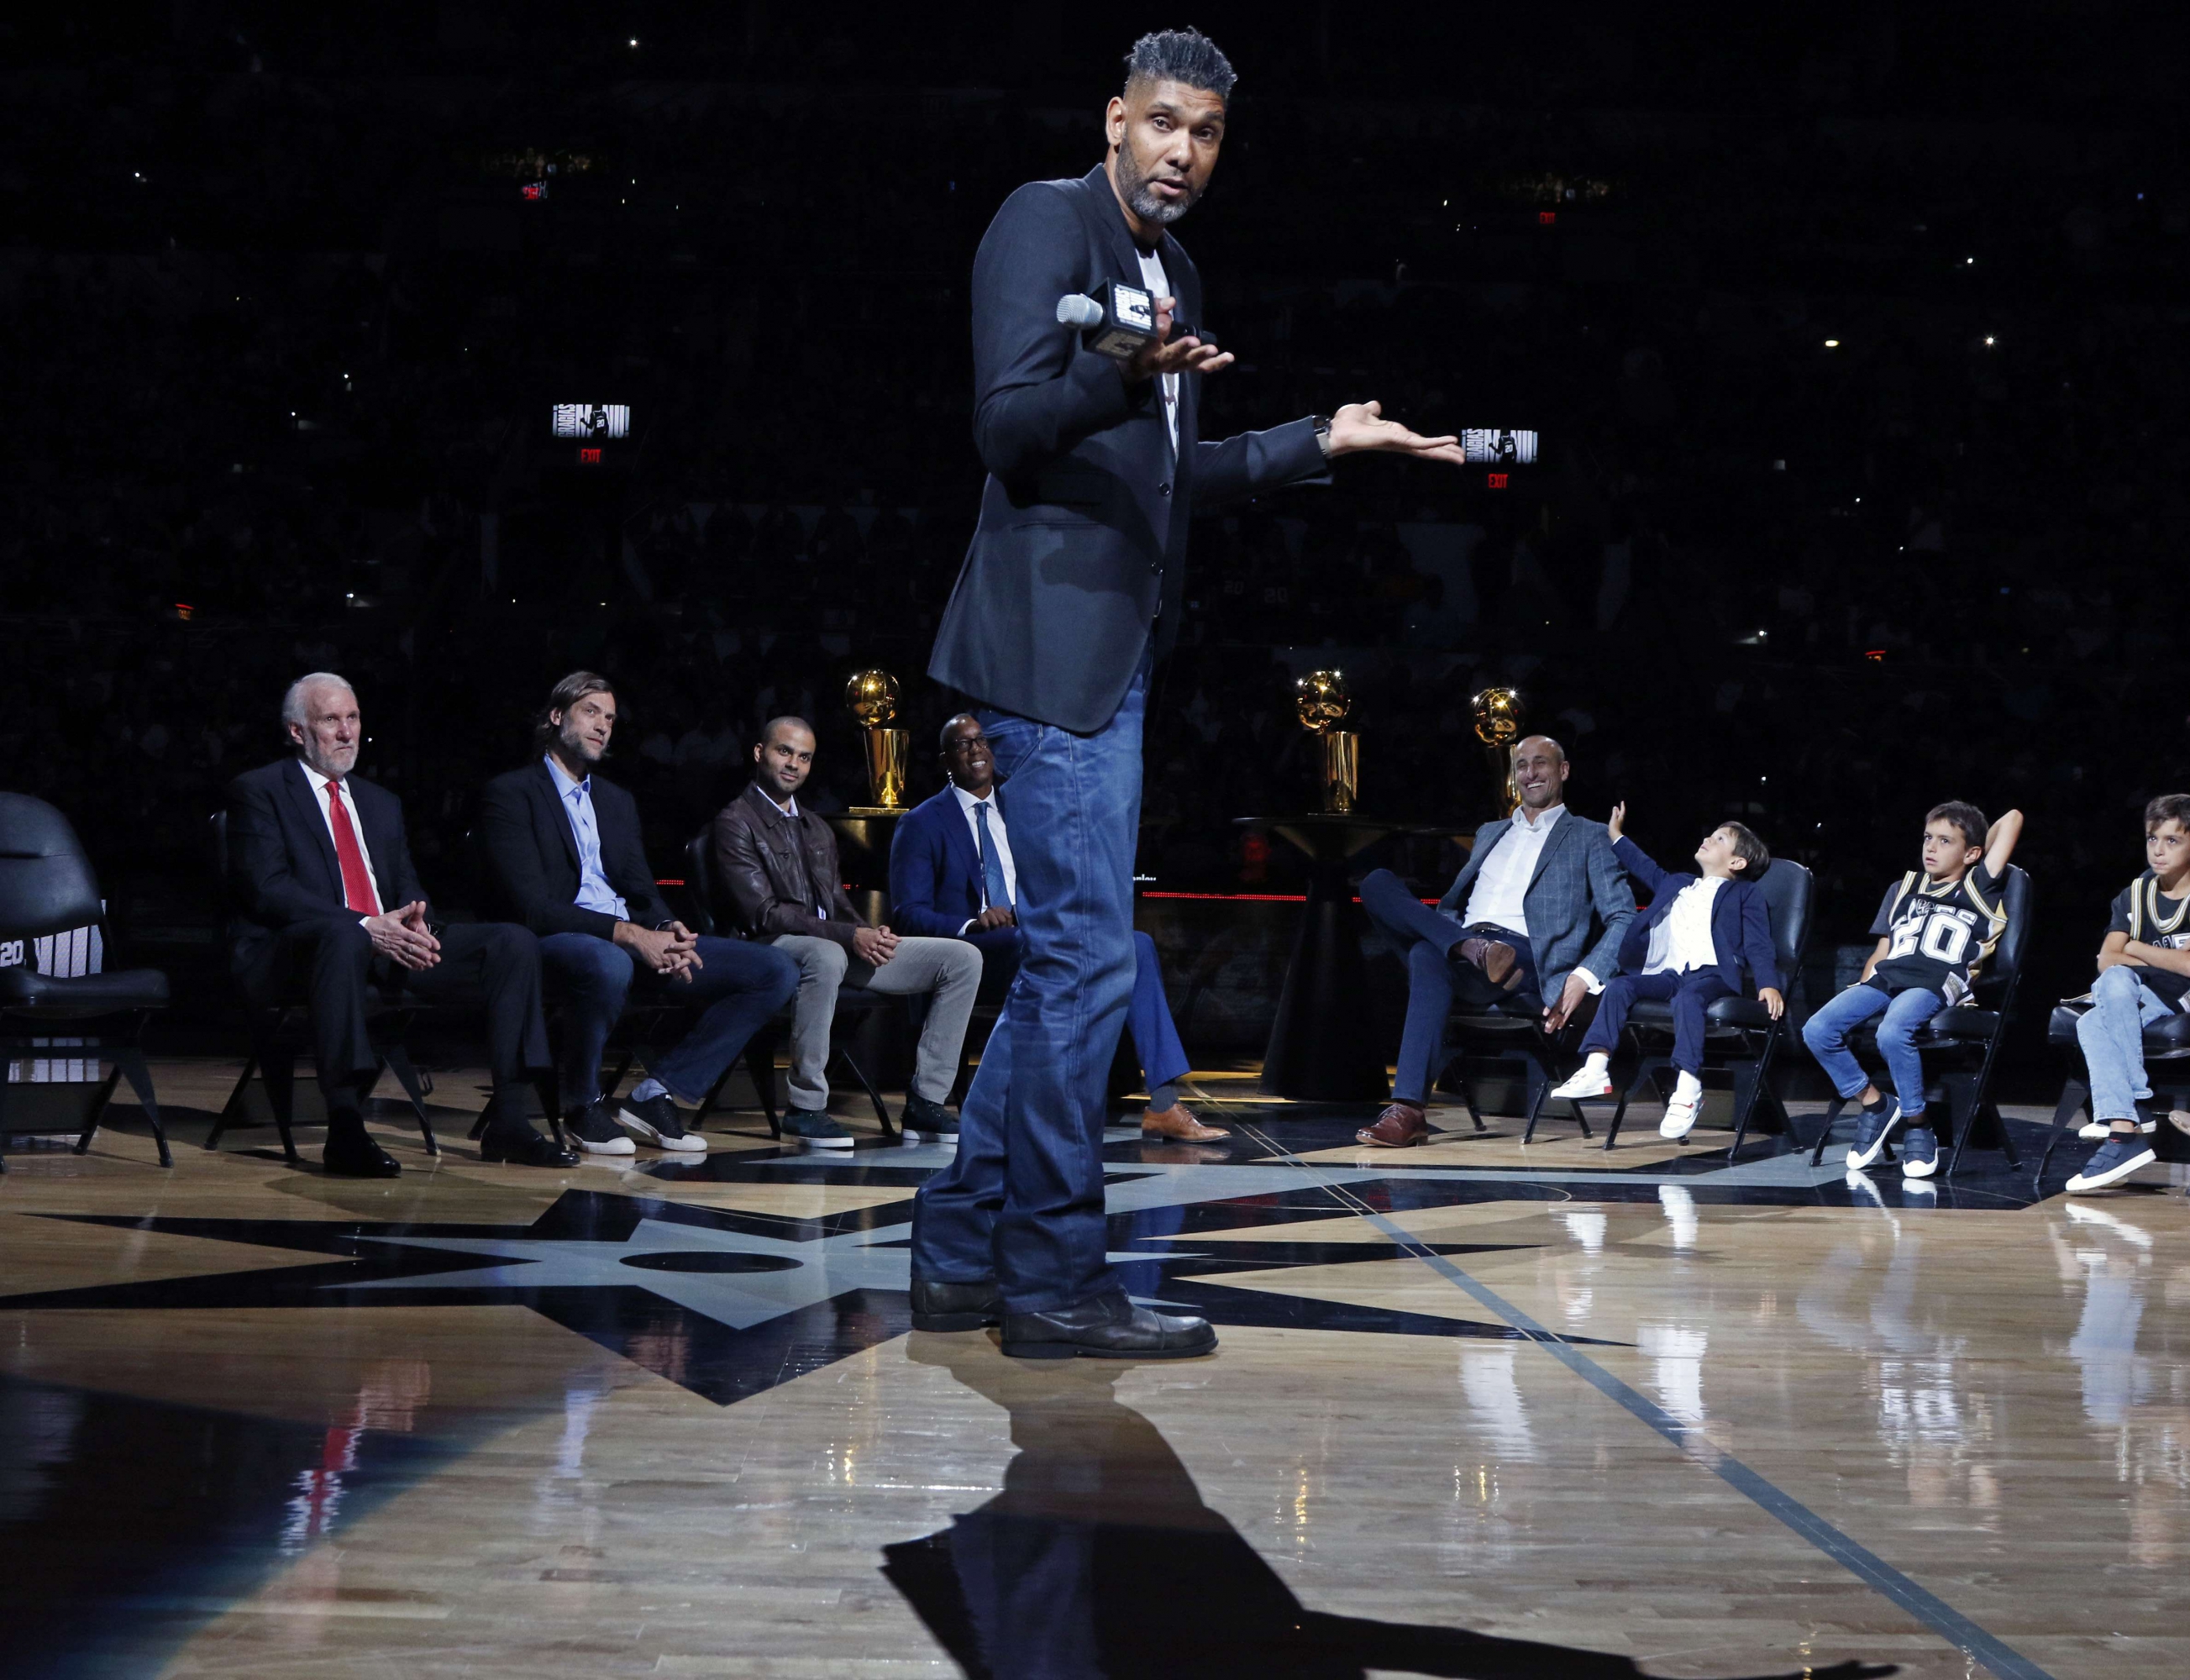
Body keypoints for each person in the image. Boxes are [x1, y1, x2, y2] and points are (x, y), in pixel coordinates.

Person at [910, 26, 1472, 1360]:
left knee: (1065, 971)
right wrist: (1118, 372)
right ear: (1114, 119)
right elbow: (1001, 425)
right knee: (1086, 965)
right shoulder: (1041, 225)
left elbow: (1170, 476)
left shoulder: (1177, 271)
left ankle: (956, 1248)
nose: (1182, 153)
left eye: (1206, 133)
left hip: (1112, 661)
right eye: (1163, 123)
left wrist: (1311, 443)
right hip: (1045, 659)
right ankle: (1048, 1281)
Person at [224, 673, 574, 1177]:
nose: (347, 732)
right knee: (345, 935)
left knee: (511, 941)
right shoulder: (259, 791)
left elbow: (408, 885)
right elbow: (268, 889)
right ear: (297, 732)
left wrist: (418, 922)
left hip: (383, 946)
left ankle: (511, 1121)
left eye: (353, 717)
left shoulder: (380, 803)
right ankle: (345, 1125)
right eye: (331, 720)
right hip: (297, 952)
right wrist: (366, 924)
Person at [477, 672, 800, 1158]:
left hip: (630, 939)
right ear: (556, 716)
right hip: (557, 940)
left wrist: (667, 929)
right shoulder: (512, 793)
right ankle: (582, 1103)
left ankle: (658, 1092)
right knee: (610, 961)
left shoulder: (616, 800)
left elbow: (642, 890)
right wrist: (626, 935)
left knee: (774, 970)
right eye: (591, 712)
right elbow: (535, 907)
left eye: (610, 717)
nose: (603, 725)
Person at [890, 713, 1227, 1143]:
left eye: (982, 740)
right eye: (962, 743)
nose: (976, 749)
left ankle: (1163, 1104)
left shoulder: (1023, 806)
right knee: (1046, 945)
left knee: (1136, 945)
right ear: (945, 759)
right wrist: (973, 921)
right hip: (981, 955)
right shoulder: (922, 822)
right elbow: (909, 913)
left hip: (1040, 933)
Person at [712, 717, 981, 1150]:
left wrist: (869, 933)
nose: (793, 764)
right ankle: (805, 1108)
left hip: (833, 941)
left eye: (804, 757)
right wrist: (846, 936)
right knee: (827, 955)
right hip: (768, 948)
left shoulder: (816, 827)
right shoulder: (735, 822)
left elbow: (836, 904)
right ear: (760, 753)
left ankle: (927, 1101)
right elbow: (764, 914)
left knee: (962, 958)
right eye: (785, 752)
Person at [1353, 736, 1636, 1148]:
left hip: (1523, 960)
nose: (1531, 773)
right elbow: (1453, 904)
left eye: (1541, 763)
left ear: (1564, 771)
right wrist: (1462, 940)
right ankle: (1470, 950)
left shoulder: (1589, 837)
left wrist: (1585, 974)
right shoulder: (1489, 832)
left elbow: (1623, 915)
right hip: (1468, 945)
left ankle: (1408, 1111)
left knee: (1424, 954)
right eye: (1522, 765)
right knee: (1377, 883)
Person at [1804, 801, 2024, 1181]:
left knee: (1893, 1031)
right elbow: (1883, 950)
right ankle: (1875, 1106)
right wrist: (1861, 985)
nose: (1931, 848)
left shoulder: (1979, 883)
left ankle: (1918, 1123)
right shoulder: (1903, 886)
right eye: (1927, 838)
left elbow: (2014, 818)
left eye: (1944, 841)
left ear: (1972, 853)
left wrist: (1974, 848)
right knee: (1817, 1029)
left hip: (1937, 980)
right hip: (1888, 976)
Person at [1548, 804, 1784, 1139]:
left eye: (1718, 839)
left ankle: (1688, 1089)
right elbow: (1644, 867)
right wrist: (1616, 835)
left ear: (1736, 862)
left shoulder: (1744, 893)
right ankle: (1596, 1067)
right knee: (1619, 987)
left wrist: (1768, 984)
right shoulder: (1678, 884)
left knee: (1689, 999)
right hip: (1672, 974)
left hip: (1712, 976)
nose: (1707, 838)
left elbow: (1759, 943)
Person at [2065, 793, 2190, 1193]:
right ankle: (2126, 1124)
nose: (2159, 850)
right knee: (2111, 984)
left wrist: (2136, 948)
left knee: (2091, 1021)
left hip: (2183, 996)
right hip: (2141, 993)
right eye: (2153, 839)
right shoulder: (2135, 894)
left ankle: (2129, 1117)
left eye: (2172, 840)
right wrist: (2142, 958)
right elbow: (2106, 960)